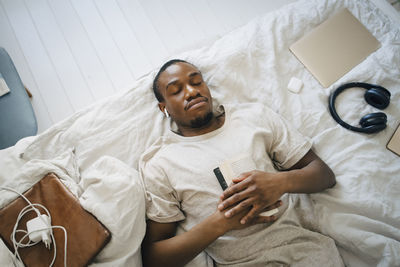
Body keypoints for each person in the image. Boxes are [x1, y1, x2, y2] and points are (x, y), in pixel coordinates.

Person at [139, 59, 343, 266]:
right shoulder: (160, 163)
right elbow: (155, 259)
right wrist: (221, 223)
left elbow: (324, 176)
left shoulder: (253, 117)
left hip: (307, 253)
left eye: (197, 82)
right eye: (176, 90)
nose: (192, 92)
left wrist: (280, 182)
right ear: (163, 108)